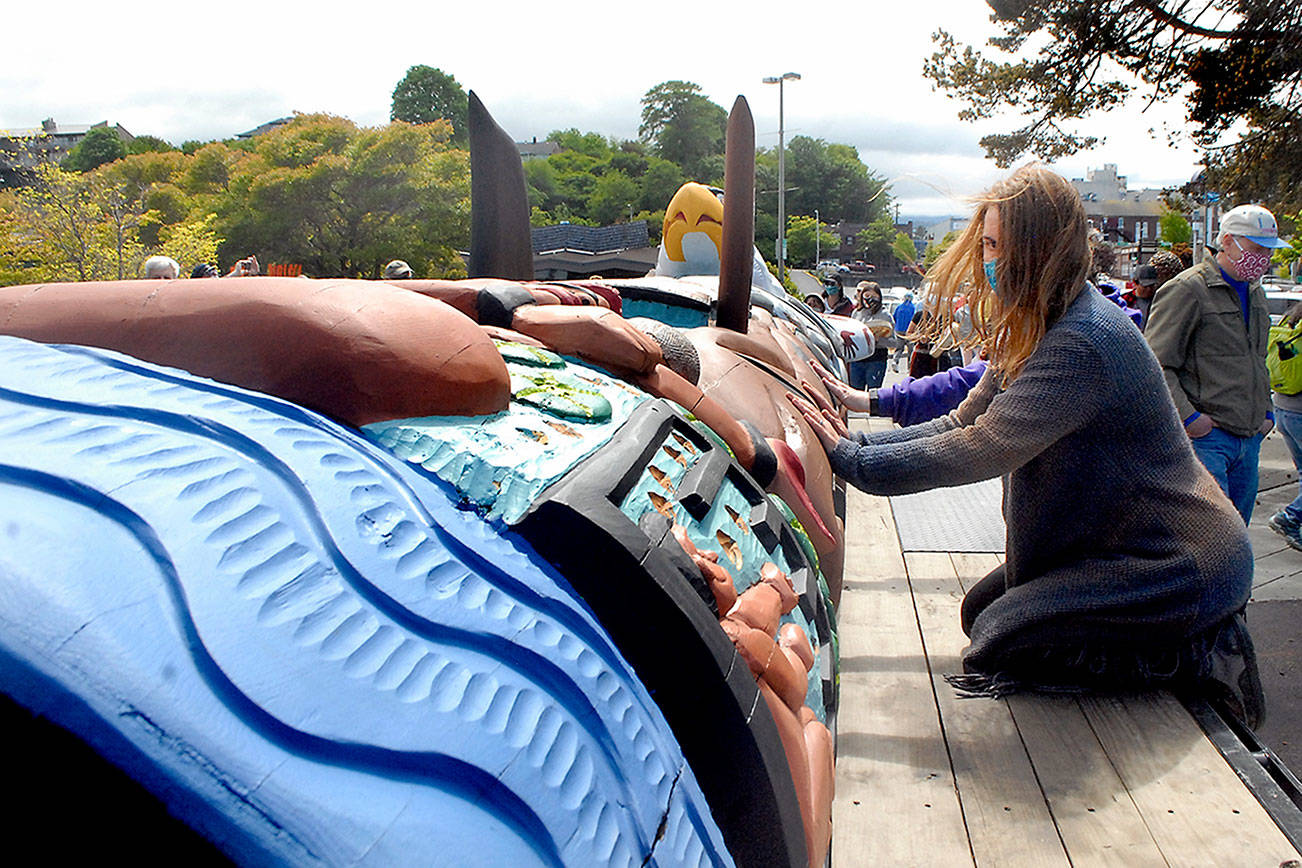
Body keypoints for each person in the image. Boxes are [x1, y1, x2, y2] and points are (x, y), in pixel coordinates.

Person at [788, 165, 1263, 725]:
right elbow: (961, 421)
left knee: (998, 639)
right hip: (1114, 547)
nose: (986, 260)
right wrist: (854, 445)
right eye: (985, 244)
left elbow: (983, 446)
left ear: (1037, 250)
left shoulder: (1085, 339)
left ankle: (1195, 649)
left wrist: (852, 460)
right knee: (980, 613)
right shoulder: (1033, 326)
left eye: (996, 246)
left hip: (1177, 562)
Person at [1144, 203, 1291, 524]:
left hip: (1248, 438)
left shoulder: (1255, 292)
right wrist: (1190, 419)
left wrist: (1266, 412)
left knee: (1237, 541)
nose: (1264, 260)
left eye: (1269, 252)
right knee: (1208, 538)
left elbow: (1257, 357)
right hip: (1207, 440)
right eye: (1256, 249)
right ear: (1227, 241)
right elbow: (1156, 364)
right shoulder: (1187, 289)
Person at [848, 282, 892, 390]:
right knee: (855, 391)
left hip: (876, 359)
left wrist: (879, 339)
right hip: (858, 359)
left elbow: (894, 341)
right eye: (867, 296)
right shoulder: (856, 313)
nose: (870, 300)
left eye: (874, 297)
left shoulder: (885, 315)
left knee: (873, 391)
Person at [891, 291, 916, 371]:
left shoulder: (899, 307)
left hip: (899, 330)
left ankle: (895, 361)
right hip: (909, 331)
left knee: (899, 348)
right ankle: (910, 367)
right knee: (910, 350)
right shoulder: (913, 307)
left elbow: (894, 318)